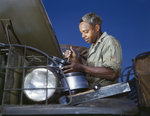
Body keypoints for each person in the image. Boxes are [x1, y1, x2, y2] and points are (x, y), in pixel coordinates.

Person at [62, 12, 122, 88]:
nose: (83, 36)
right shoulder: (92, 48)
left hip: (107, 93)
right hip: (93, 91)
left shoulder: (109, 41)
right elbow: (89, 72)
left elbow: (112, 74)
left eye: (86, 32)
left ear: (97, 28)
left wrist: (81, 67)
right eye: (81, 33)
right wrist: (75, 61)